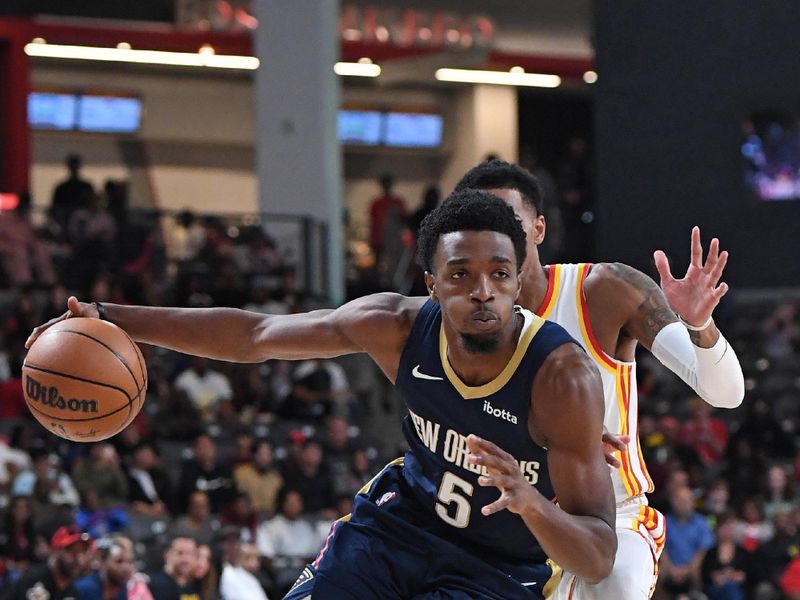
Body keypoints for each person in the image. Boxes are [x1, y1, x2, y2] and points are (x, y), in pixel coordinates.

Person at [28, 190, 616, 599]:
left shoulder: (562, 378)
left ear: (519, 279)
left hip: (498, 569)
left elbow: (597, 555)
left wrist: (532, 503)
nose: (483, 291)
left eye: (500, 274)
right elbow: (254, 334)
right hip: (398, 529)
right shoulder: (394, 327)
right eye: (461, 274)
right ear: (431, 282)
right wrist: (112, 317)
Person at [454, 159, 745, 598]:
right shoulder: (456, 322)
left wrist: (701, 326)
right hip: (512, 525)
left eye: (508, 222)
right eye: (482, 224)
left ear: (538, 228)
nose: (497, 237)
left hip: (613, 518)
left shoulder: (603, 290)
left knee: (621, 585)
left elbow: (725, 393)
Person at [0, 525, 92, 600]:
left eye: (82, 552)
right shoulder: (34, 580)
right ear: (55, 552)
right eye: (72, 552)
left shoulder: (71, 589)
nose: (78, 559)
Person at [74, 534, 153, 600]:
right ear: (103, 561)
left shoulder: (127, 590)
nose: (125, 567)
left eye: (130, 562)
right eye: (119, 561)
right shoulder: (83, 589)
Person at [50, 153, 94, 238]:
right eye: (73, 165)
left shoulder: (86, 187)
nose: (74, 167)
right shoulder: (61, 188)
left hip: (86, 226)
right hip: (65, 225)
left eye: (75, 164)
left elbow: (92, 206)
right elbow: (55, 209)